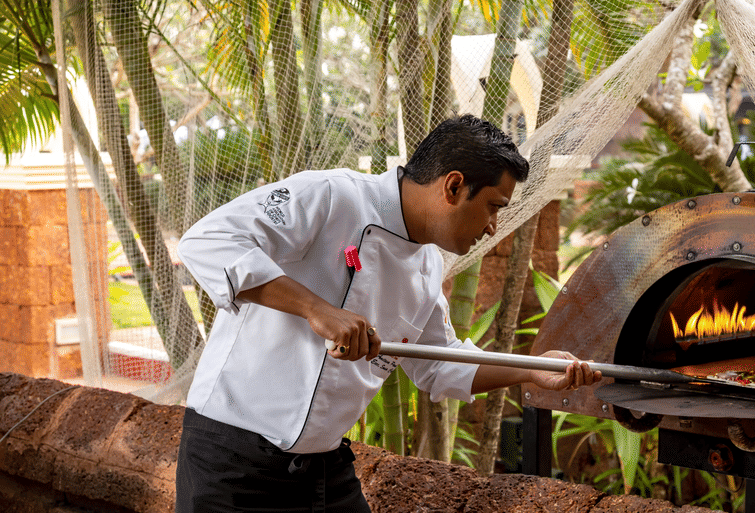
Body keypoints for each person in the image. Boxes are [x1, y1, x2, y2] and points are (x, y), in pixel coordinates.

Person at [174, 114, 602, 512]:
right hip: (231, 461)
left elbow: (439, 364)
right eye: (493, 206)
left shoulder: (429, 265)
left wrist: (530, 370)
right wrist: (315, 309)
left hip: (324, 468)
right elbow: (206, 241)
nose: (493, 226)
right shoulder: (331, 196)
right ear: (453, 186)